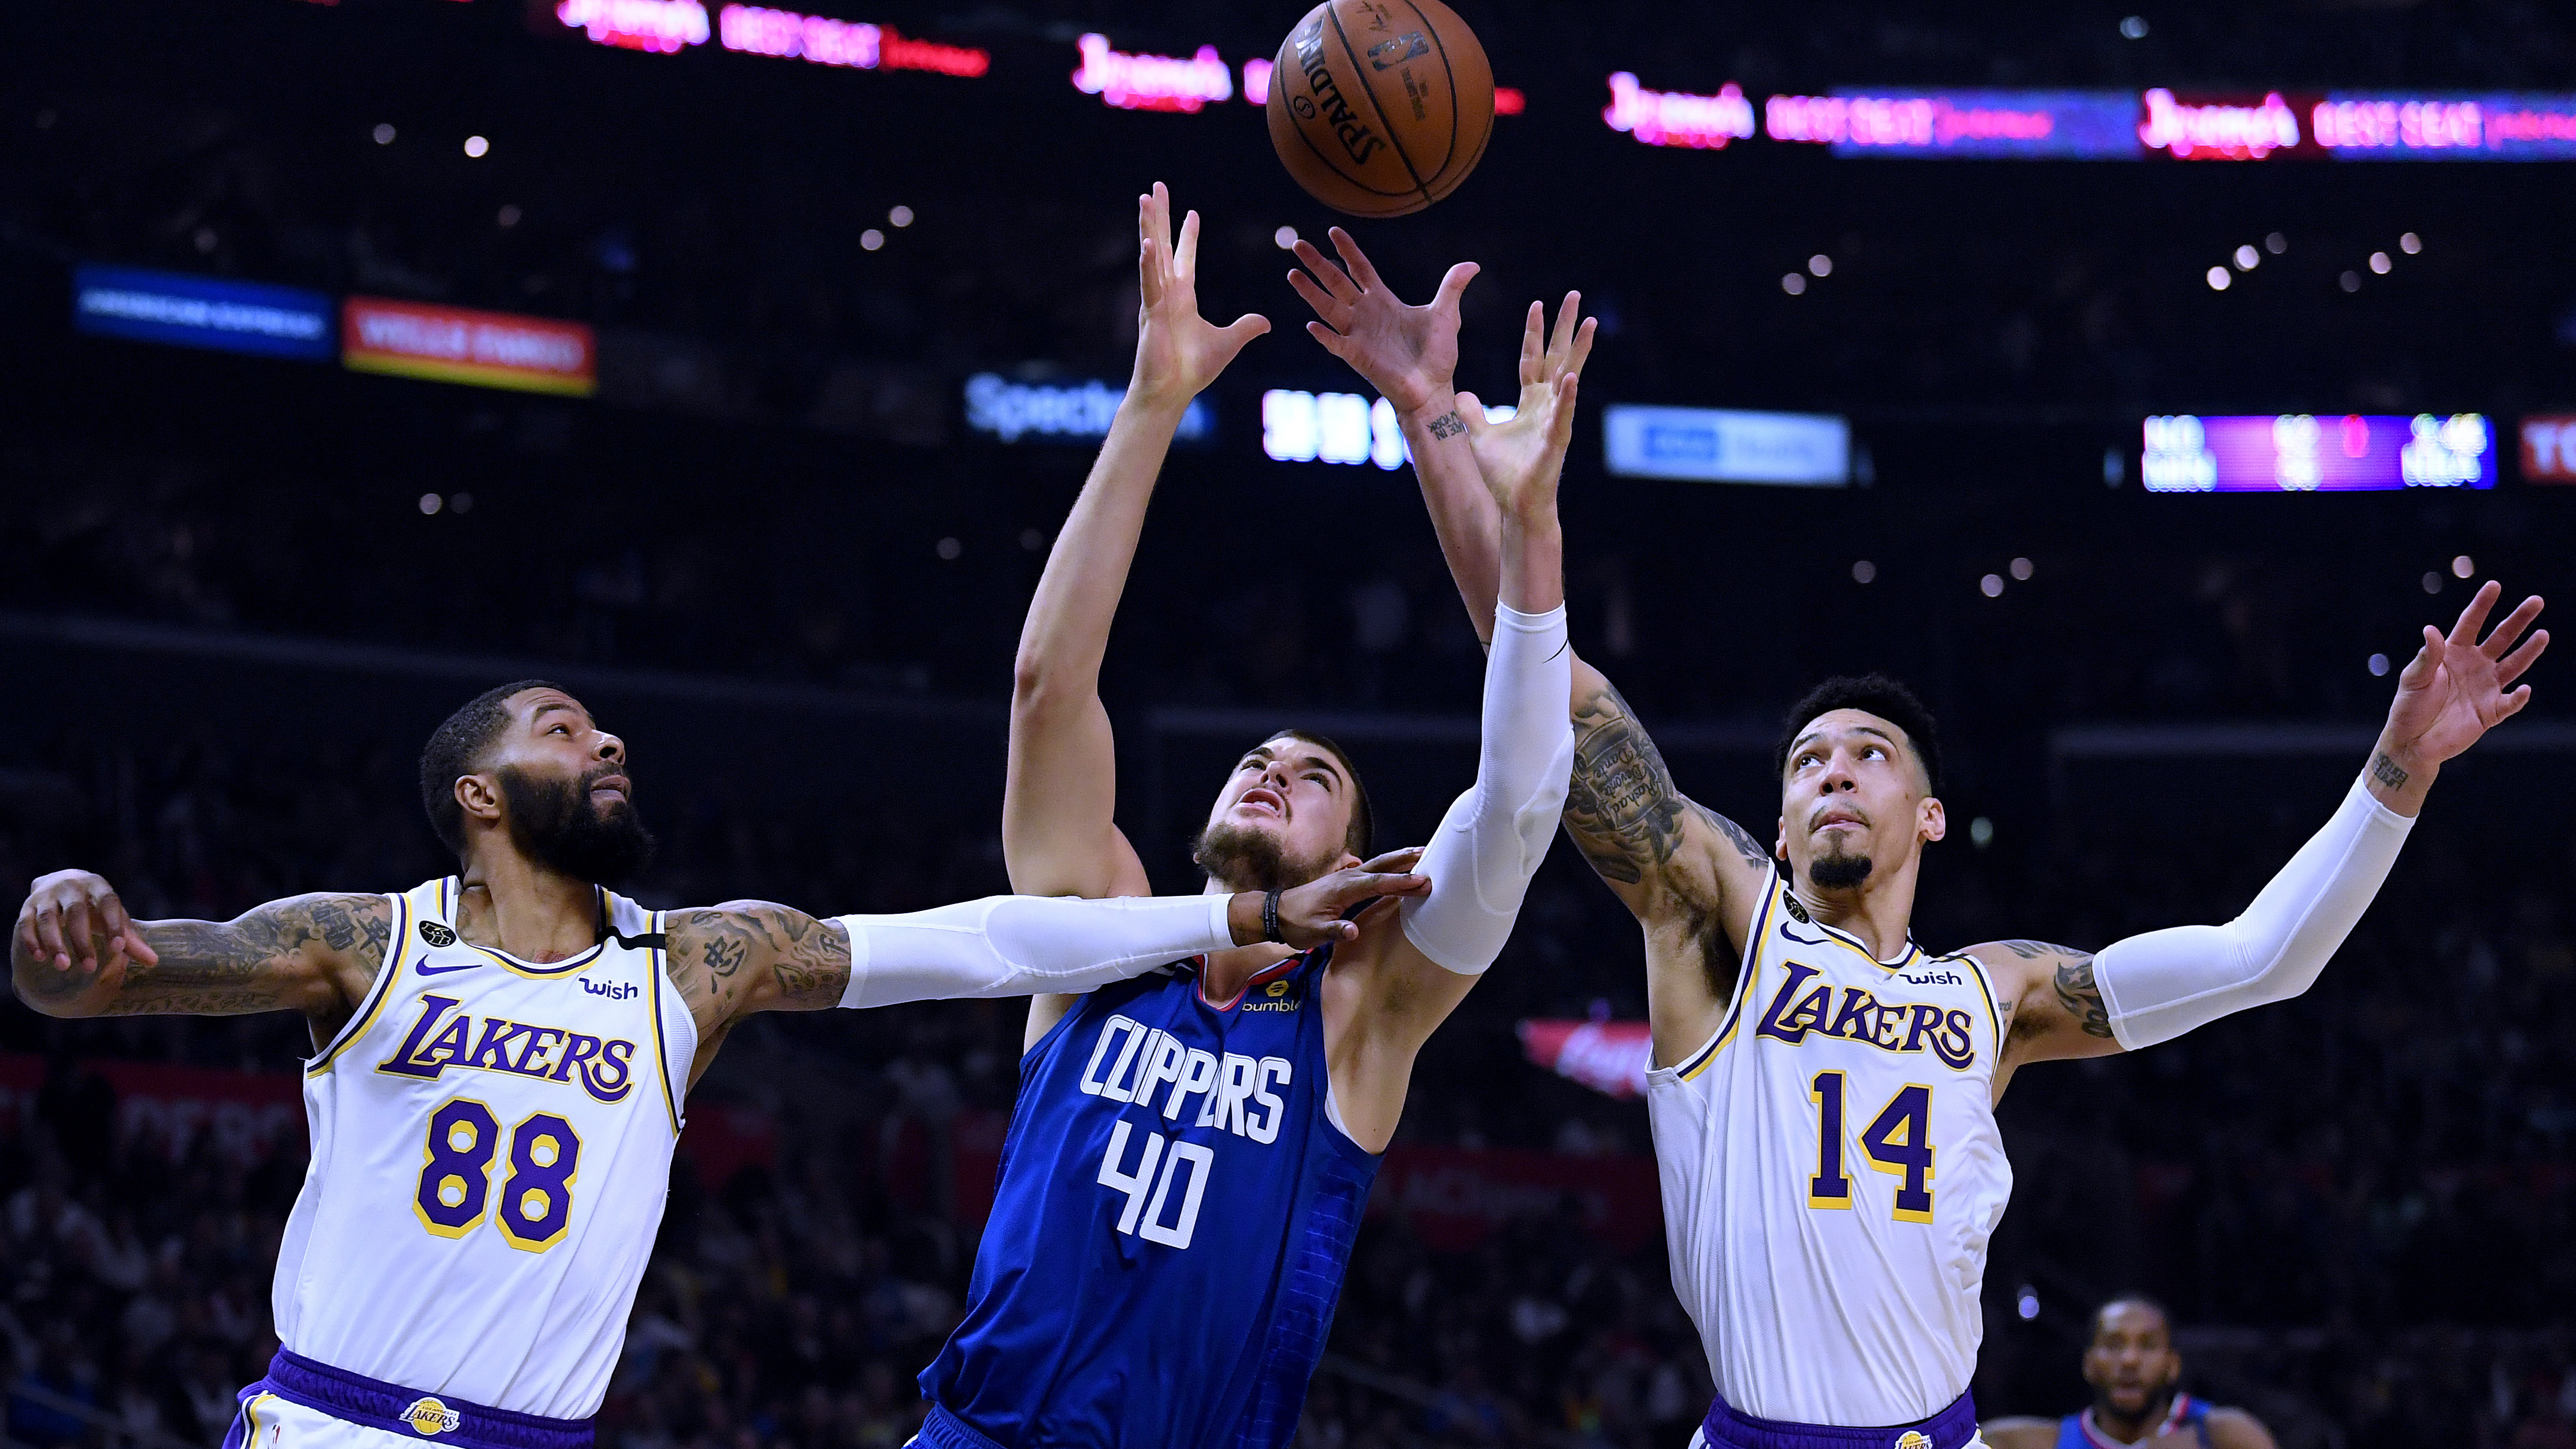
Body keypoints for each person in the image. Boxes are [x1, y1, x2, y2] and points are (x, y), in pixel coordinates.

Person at [1292, 226, 2549, 1449]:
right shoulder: (1724, 913)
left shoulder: (1994, 993)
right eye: (1806, 762)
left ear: (1929, 814)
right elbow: (1549, 700)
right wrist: (1434, 419)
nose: (1834, 769)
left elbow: (2262, 956)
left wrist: (2396, 773)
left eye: (1868, 754)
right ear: (1778, 826)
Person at [10, 680, 1427, 1449]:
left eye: (603, 721)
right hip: (337, 1425)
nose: (606, 734)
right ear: (480, 795)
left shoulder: (691, 964)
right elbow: (103, 977)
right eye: (560, 728)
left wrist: (1241, 914)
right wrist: (61, 913)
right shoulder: (360, 942)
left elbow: (986, 939)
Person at [908, 184, 1577, 1449]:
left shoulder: (1362, 1009)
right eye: (1256, 758)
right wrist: (1152, 404)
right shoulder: (1102, 933)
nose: (1272, 770)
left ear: (1355, 854)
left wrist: (1506, 502)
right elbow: (1050, 685)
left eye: (1314, 774)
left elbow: (1531, 781)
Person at [1982, 1296, 2277, 1447]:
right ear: (2089, 1363)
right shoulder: (2030, 1442)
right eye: (2113, 1345)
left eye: (2147, 1346)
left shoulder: (2224, 1435)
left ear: (2172, 1365)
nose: (2130, 1360)